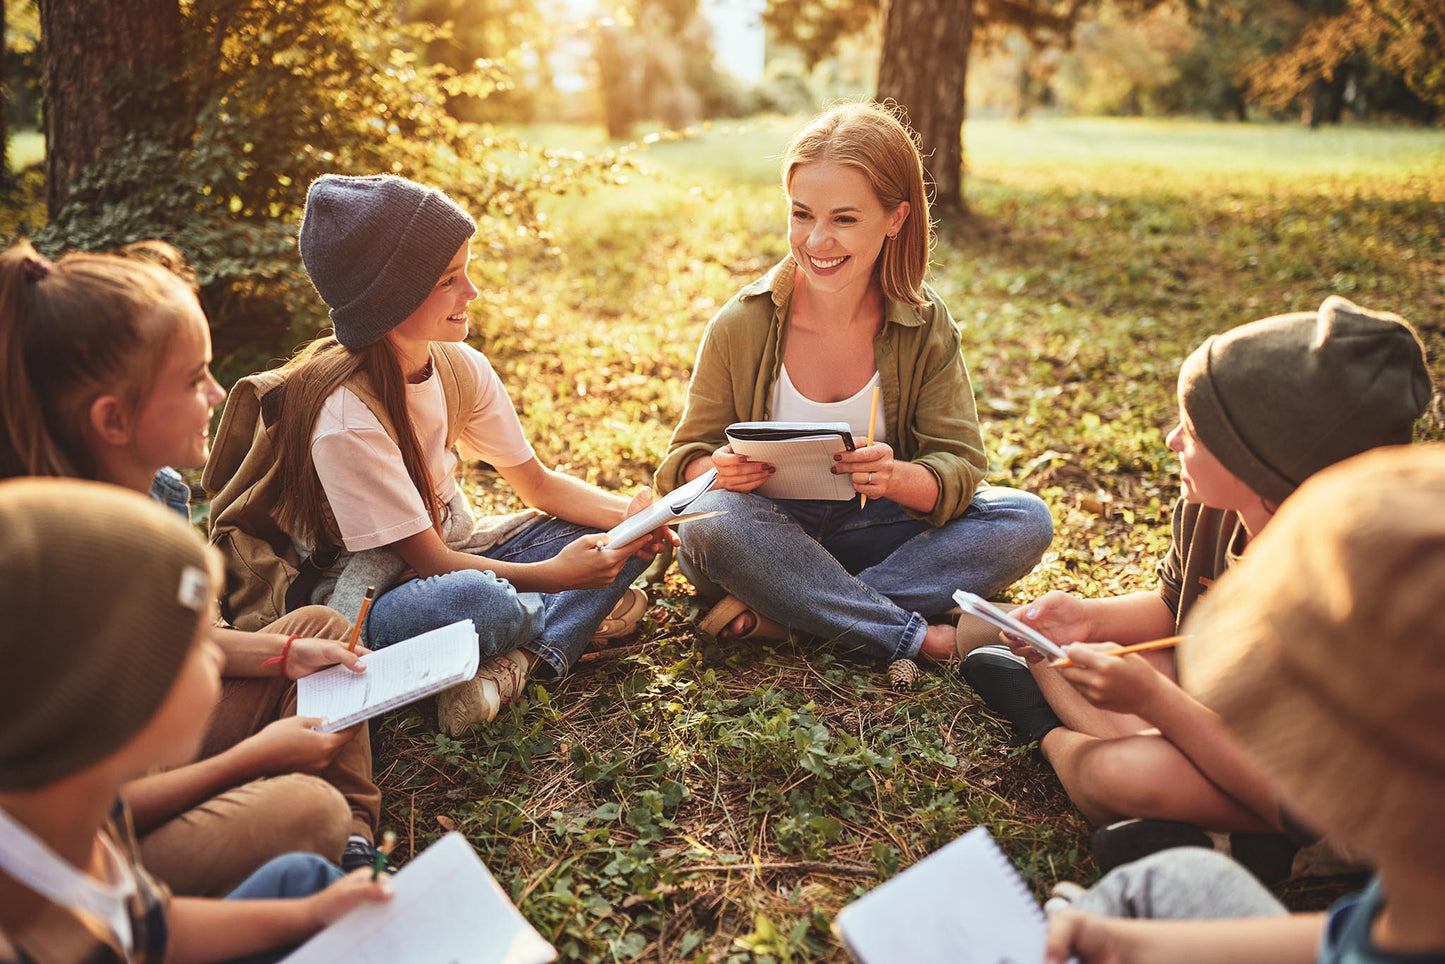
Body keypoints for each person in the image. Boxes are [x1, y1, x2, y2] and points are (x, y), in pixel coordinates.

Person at [961, 296, 1433, 875]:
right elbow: (1172, 609)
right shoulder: (1212, 507)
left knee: (1116, 773)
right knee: (1047, 647)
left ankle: (1045, 729)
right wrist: (1086, 619)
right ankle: (1214, 839)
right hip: (1229, 716)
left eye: (1196, 431)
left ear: (1261, 470)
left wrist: (1154, 700)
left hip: (1322, 797)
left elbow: (1306, 796)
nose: (1171, 440)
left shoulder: (1359, 592)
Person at [0, 239, 384, 892]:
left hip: (157, 752)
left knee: (317, 629)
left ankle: (354, 852)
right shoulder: (39, 569)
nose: (215, 392)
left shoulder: (157, 493)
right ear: (112, 420)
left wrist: (282, 658)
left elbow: (183, 644)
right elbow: (65, 821)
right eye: (191, 379)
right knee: (305, 809)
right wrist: (243, 762)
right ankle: (318, 837)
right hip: (90, 861)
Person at [266, 173, 669, 737]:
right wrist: (556, 577)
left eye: (467, 270)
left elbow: (539, 486)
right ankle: (552, 634)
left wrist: (638, 519)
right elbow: (432, 564)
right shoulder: (345, 419)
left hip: (460, 548)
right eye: (450, 280)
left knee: (622, 546)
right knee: (483, 602)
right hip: (376, 597)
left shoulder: (459, 367)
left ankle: (511, 664)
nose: (472, 292)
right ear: (390, 301)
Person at [653, 102, 1054, 663]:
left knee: (1023, 519)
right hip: (761, 533)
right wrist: (716, 469)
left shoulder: (925, 323)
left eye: (844, 219)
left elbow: (959, 469)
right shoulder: (741, 322)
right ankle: (913, 636)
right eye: (801, 215)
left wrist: (892, 477)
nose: (817, 241)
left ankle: (792, 614)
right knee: (711, 525)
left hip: (873, 532)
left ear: (895, 219)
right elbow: (680, 466)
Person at [1044, 444, 1445, 963]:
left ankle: (1047, 736)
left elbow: (1283, 803)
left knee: (1132, 784)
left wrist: (1158, 701)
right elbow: (1342, 940)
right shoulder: (1416, 885)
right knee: (1177, 877)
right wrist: (1127, 944)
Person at [0, 478, 391, 963]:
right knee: (312, 820)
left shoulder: (78, 813)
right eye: (190, 646)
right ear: (121, 688)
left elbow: (153, 927)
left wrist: (311, 913)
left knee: (306, 884)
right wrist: (253, 758)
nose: (215, 650)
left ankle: (348, 853)